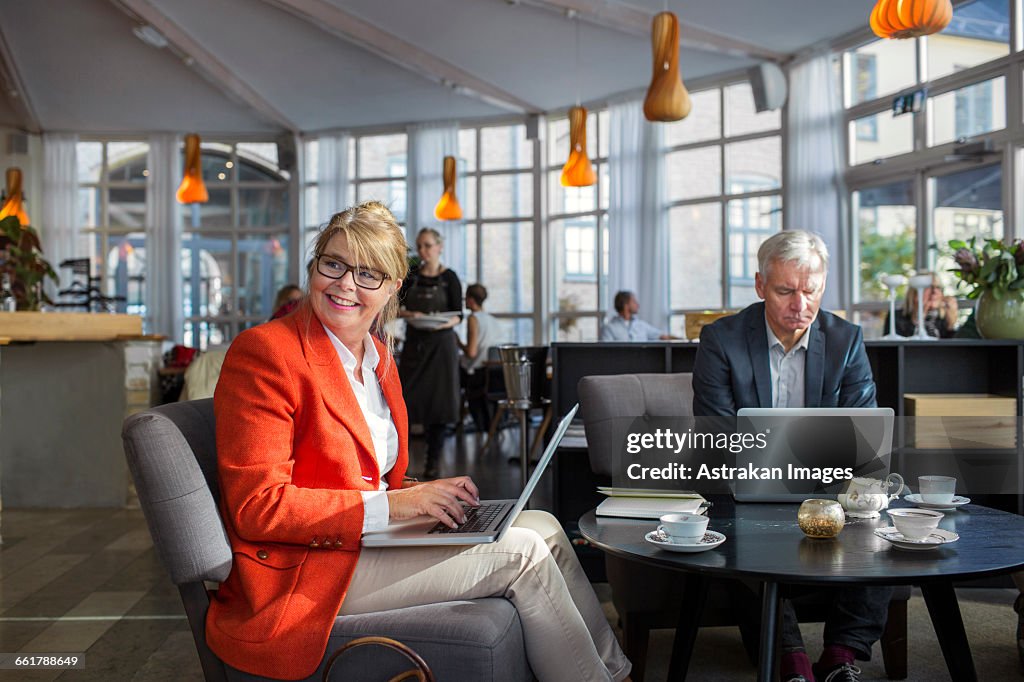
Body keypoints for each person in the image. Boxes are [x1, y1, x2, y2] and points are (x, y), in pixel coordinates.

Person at [209, 202, 631, 682]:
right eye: (334, 264)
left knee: (546, 529)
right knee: (523, 554)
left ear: (392, 288)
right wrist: (399, 505)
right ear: (314, 266)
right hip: (306, 567)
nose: (347, 284)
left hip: (363, 541)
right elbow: (258, 507)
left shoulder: (379, 359)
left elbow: (364, 473)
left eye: (369, 274)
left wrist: (426, 496)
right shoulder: (267, 352)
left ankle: (616, 673)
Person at [693, 230, 889, 682]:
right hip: (740, 488)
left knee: (883, 525)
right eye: (785, 291)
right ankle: (791, 661)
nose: (800, 304)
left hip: (830, 490)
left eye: (811, 290)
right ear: (761, 285)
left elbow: (863, 435)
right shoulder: (721, 340)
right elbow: (720, 438)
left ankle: (841, 655)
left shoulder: (846, 340)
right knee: (741, 534)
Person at [399, 228, 463, 479]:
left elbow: (458, 315)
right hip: (415, 343)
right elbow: (396, 307)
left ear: (439, 246)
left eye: (427, 245)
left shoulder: (450, 278)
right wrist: (411, 315)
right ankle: (399, 464)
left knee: (438, 404)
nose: (423, 251)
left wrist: (438, 322)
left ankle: (432, 461)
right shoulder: (411, 276)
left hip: (441, 346)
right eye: (420, 246)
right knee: (405, 401)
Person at [458, 283, 502, 434]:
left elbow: (471, 352)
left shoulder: (473, 318)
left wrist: (457, 342)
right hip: (494, 373)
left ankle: (448, 422)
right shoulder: (493, 320)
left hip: (477, 375)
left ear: (470, 300)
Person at [882, 272, 958, 338]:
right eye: (929, 287)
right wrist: (918, 316)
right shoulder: (897, 317)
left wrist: (951, 323)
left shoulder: (943, 319)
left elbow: (953, 351)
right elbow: (892, 350)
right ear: (915, 293)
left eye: (938, 287)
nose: (934, 292)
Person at [600, 290, 679, 341]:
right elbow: (606, 353)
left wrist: (682, 339)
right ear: (626, 305)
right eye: (634, 301)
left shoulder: (641, 325)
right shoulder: (609, 328)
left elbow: (663, 336)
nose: (637, 305)